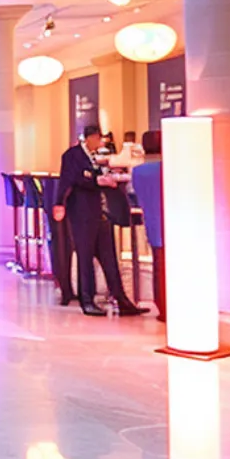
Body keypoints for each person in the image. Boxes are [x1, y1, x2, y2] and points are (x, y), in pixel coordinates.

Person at [54, 125, 148, 317]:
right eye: (98, 139)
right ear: (90, 138)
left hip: (99, 214)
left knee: (109, 257)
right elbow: (72, 179)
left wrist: (104, 179)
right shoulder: (72, 156)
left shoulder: (94, 158)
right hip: (81, 214)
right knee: (85, 257)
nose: (100, 143)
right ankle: (87, 300)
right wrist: (59, 203)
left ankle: (122, 301)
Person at [129, 130, 166, 323]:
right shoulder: (169, 168)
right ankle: (170, 307)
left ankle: (161, 305)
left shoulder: (138, 171)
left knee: (158, 267)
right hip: (171, 224)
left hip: (152, 222)